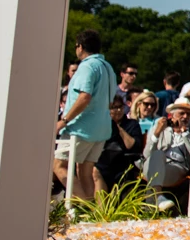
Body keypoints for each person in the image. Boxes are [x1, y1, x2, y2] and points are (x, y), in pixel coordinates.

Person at [54, 29, 118, 201]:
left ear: (80, 47)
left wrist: (64, 120)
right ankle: (90, 213)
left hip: (81, 127)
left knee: (59, 166)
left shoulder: (87, 66)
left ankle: (86, 207)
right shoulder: (108, 67)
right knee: (85, 170)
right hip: (102, 127)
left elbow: (85, 96)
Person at [96, 94, 146, 190]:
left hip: (123, 162)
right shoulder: (102, 125)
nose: (118, 110)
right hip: (103, 161)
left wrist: (118, 127)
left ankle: (101, 204)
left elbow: (132, 146)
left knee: (96, 171)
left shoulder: (132, 124)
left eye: (120, 107)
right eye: (114, 107)